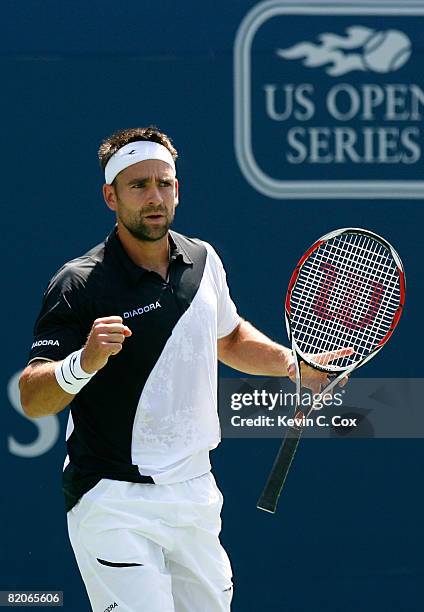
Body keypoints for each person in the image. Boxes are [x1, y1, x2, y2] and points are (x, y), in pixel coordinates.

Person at [19, 126, 347, 612]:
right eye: (138, 186)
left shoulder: (202, 259)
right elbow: (31, 397)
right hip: (113, 500)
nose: (155, 197)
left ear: (178, 188)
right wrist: (82, 363)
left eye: (164, 183)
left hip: (195, 497)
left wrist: (292, 365)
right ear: (110, 196)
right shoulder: (78, 283)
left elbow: (229, 336)